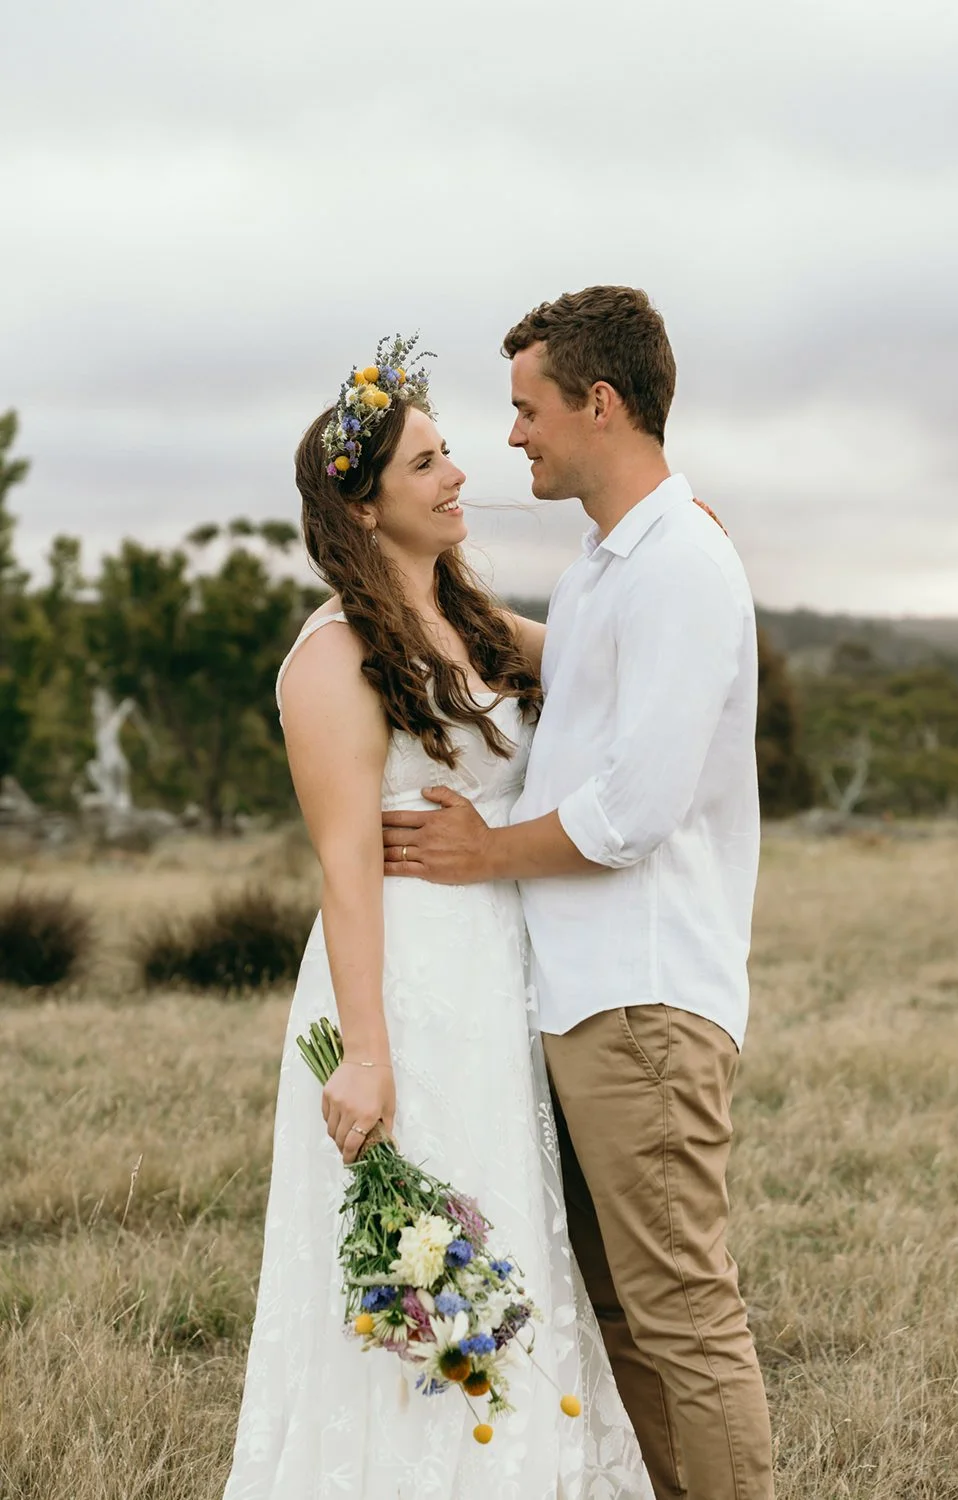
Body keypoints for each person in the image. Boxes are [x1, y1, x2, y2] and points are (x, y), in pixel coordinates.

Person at [222, 337, 653, 1500]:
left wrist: (664, 540)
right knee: (435, 1266)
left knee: (513, 1231)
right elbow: (345, 871)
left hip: (496, 974)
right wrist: (365, 1055)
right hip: (402, 987)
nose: (459, 472)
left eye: (450, 450)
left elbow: (609, 657)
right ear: (363, 510)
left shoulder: (470, 623)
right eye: (426, 463)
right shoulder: (331, 660)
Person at [382, 288, 775, 1500]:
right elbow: (559, 660)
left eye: (527, 409)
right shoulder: (613, 565)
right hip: (584, 1005)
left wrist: (479, 855)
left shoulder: (682, 565)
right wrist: (412, 596)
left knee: (685, 1320)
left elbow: (630, 812)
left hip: (644, 1005)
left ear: (598, 404)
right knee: (617, 1311)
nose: (512, 438)